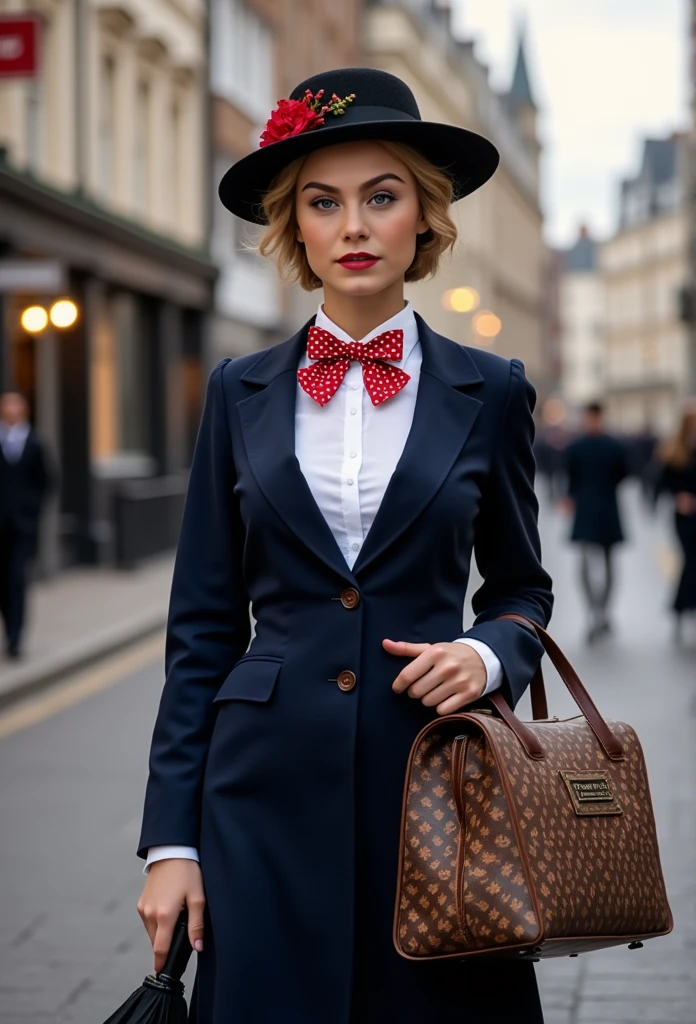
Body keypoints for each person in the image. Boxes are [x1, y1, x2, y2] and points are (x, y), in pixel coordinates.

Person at [136, 68, 553, 1024]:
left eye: (382, 196)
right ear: (298, 227)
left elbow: (523, 588)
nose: (354, 225)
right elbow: (201, 626)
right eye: (324, 202)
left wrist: (488, 650)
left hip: (439, 788)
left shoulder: (491, 390)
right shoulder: (238, 390)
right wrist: (171, 843)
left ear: (424, 218)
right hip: (259, 794)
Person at [563, 402, 628, 643]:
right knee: (585, 564)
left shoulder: (612, 446)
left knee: (608, 563)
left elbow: (623, 473)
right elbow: (570, 476)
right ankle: (594, 610)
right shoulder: (578, 447)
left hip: (604, 509)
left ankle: (603, 609)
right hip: (591, 510)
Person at [0, 391, 51, 659]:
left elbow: (46, 482)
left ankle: (16, 639)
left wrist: (31, 514)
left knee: (18, 580)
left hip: (23, 528)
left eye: (14, 407)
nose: (10, 411)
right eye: (6, 406)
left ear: (23, 411)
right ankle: (8, 628)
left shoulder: (35, 443)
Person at [655, 405, 696, 639]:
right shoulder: (675, 452)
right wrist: (678, 497)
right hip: (685, 518)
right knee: (690, 561)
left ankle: (683, 607)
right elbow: (662, 482)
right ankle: (682, 608)